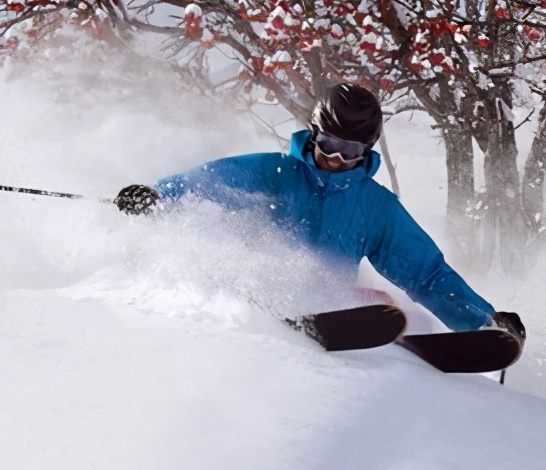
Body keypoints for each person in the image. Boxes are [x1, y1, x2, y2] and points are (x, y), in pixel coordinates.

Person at [114, 83, 524, 339]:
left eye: (351, 151)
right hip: (257, 293)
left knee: (390, 308)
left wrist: (483, 319)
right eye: (328, 143)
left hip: (330, 305)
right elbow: (209, 181)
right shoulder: (276, 171)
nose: (336, 158)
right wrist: (158, 195)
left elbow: (425, 272)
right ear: (313, 134)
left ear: (366, 151)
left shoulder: (376, 207)